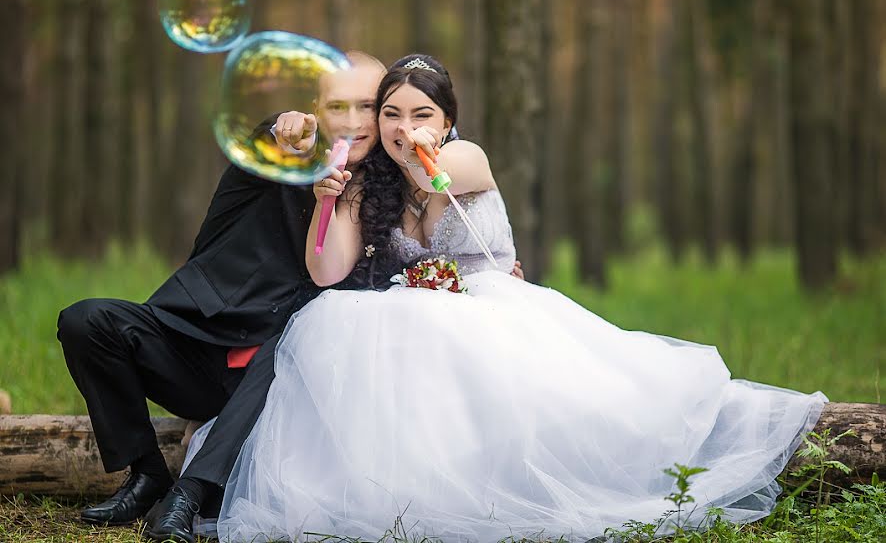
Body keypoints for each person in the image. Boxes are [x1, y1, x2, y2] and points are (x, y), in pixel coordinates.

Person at [194, 54, 826, 542]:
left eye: (420, 115)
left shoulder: (464, 156)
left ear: (447, 120)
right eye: (390, 114)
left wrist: (401, 155)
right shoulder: (362, 187)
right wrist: (329, 200)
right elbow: (327, 271)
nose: (402, 127)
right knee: (338, 319)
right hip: (412, 314)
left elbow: (432, 172)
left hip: (487, 303)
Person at [56, 52, 387, 531]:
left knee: (297, 337)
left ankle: (189, 495)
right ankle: (146, 473)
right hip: (200, 347)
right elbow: (272, 138)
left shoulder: (387, 190)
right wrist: (283, 129)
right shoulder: (282, 158)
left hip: (284, 381)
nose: (353, 121)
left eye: (367, 106)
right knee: (86, 320)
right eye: (338, 106)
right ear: (315, 109)